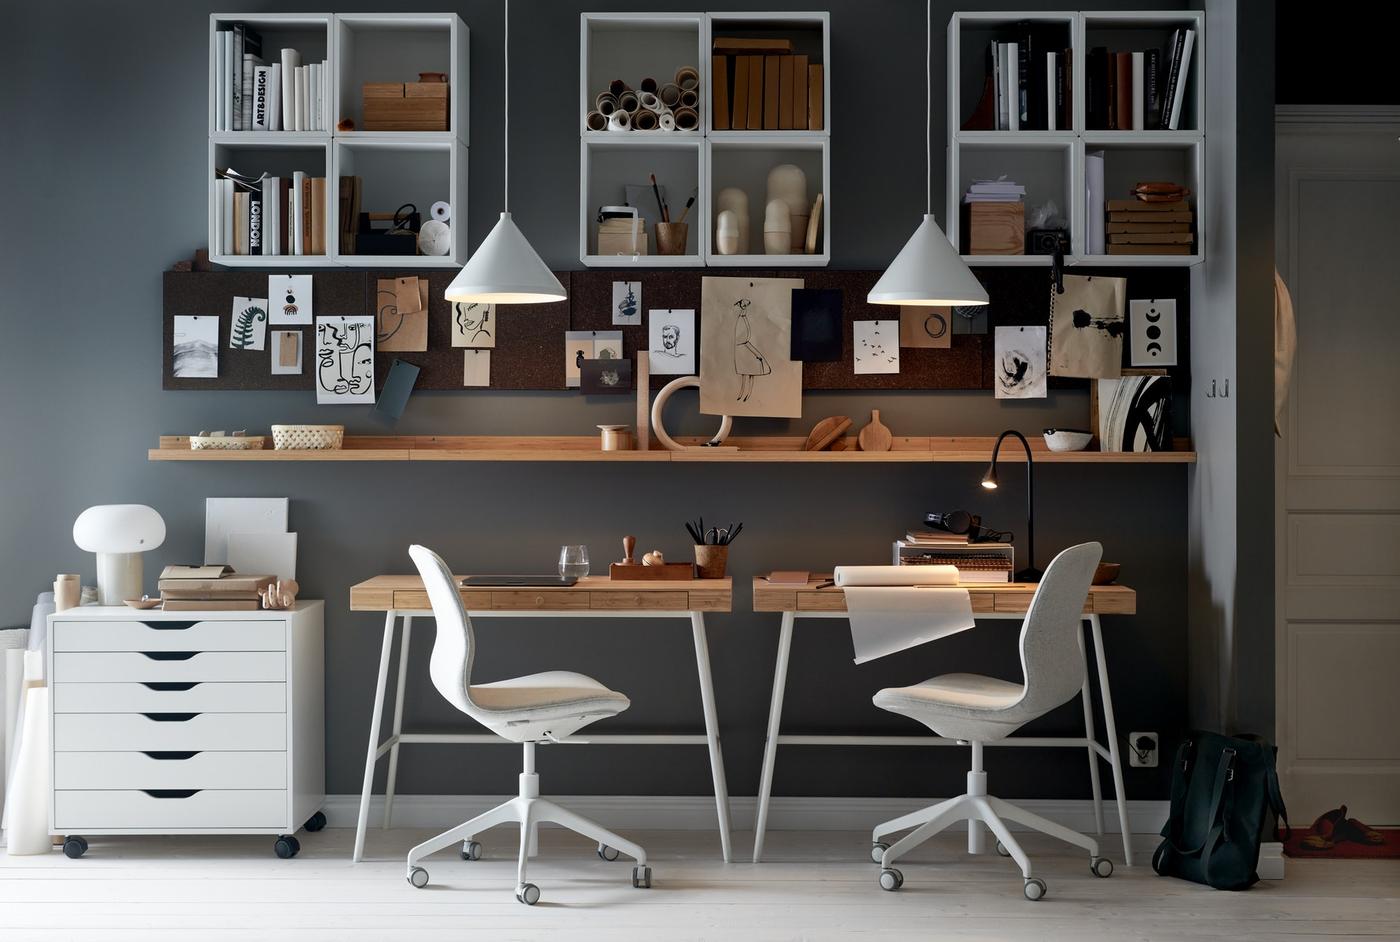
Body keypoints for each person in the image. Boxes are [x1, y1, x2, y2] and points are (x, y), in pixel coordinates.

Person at [732, 295, 770, 403]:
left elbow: (746, 339)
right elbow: (742, 339)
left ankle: (747, 394)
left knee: (750, 373)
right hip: (741, 349)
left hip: (743, 348)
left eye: (746, 306)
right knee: (746, 373)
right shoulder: (741, 319)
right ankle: (743, 393)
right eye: (744, 306)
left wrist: (755, 353)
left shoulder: (744, 319)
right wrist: (755, 353)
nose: (746, 308)